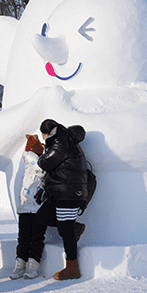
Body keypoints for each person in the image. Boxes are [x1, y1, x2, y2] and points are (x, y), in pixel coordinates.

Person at [36, 119, 90, 281]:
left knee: (65, 228)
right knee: (41, 218)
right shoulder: (64, 139)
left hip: (68, 191)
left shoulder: (60, 141)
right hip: (62, 191)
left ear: (46, 133)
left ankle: (72, 267)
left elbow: (46, 163)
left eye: (43, 136)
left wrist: (39, 153)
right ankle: (75, 227)